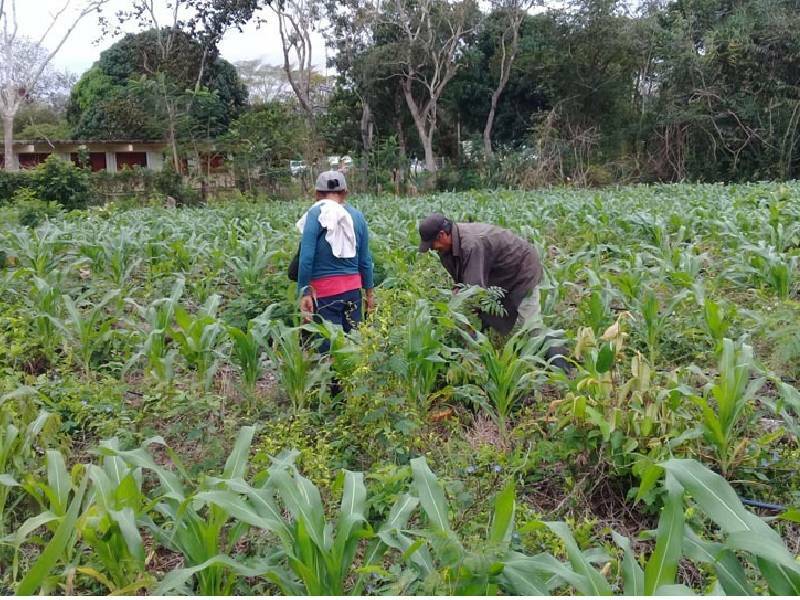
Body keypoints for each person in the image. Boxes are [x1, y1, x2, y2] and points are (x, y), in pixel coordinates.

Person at [418, 213, 571, 369]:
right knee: (485, 315)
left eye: (432, 244)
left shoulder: (471, 244)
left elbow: (473, 293)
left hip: (522, 270)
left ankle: (562, 367)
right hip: (498, 275)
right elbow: (464, 282)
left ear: (442, 235)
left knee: (530, 325)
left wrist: (467, 326)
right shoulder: (447, 249)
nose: (433, 249)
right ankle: (484, 354)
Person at [297, 171, 375, 347]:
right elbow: (365, 261)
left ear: (317, 194)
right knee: (354, 345)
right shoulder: (358, 217)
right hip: (353, 292)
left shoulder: (315, 214)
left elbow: (306, 259)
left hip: (325, 293)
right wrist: (369, 294)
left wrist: (304, 293)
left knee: (329, 349)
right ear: (345, 193)